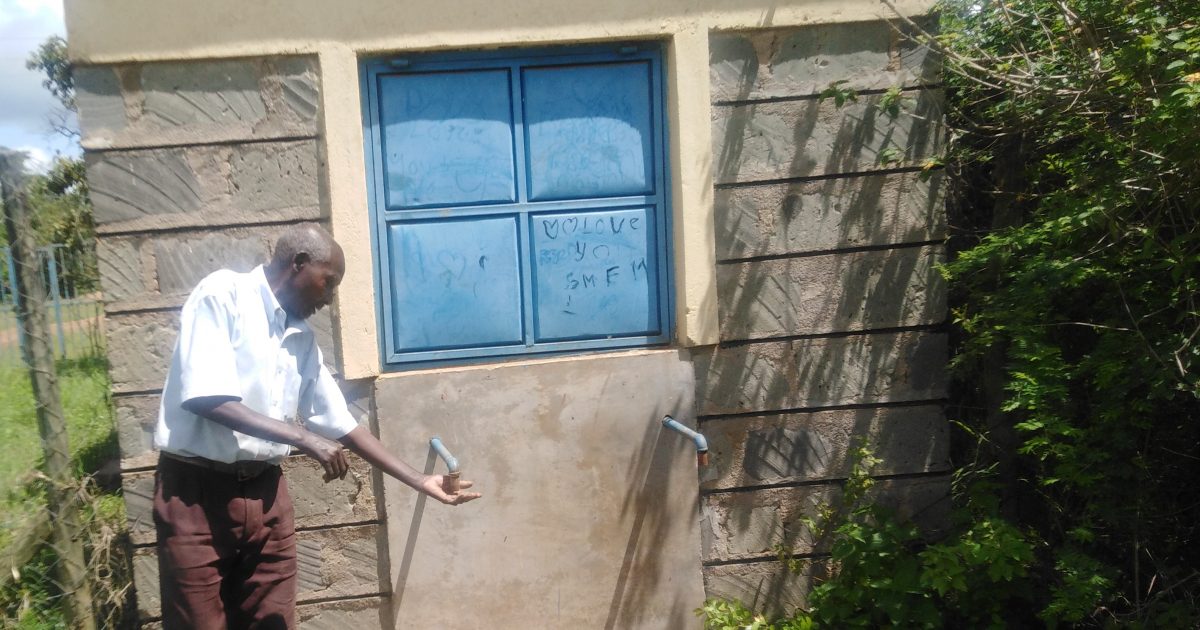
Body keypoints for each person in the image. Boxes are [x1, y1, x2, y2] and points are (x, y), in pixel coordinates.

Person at [152, 224, 481, 629]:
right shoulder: (223, 296)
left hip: (266, 494)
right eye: (329, 282)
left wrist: (419, 480)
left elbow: (341, 423)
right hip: (197, 496)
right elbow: (205, 397)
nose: (329, 299)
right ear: (299, 263)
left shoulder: (300, 338)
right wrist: (302, 437)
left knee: (274, 622)